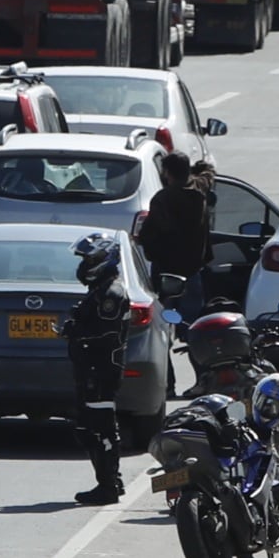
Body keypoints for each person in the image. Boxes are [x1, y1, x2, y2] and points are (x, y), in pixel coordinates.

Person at [62, 235, 134, 504]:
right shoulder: (100, 289)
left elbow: (106, 334)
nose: (85, 265)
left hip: (101, 369)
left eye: (90, 259)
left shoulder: (111, 293)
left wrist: (78, 332)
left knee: (100, 428)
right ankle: (111, 480)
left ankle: (107, 486)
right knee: (90, 427)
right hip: (91, 367)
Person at [135, 152, 211, 306]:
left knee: (164, 315)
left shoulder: (162, 199)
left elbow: (150, 233)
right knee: (191, 316)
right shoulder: (199, 188)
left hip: (166, 269)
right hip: (192, 268)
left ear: (167, 172)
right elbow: (209, 175)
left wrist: (138, 239)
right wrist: (202, 168)